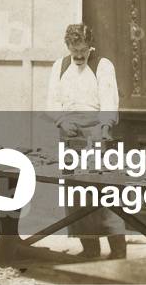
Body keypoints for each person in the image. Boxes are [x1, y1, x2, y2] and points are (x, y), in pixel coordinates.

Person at [46, 23, 126, 259]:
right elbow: (52, 101)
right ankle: (89, 249)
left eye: (83, 50)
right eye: (75, 51)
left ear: (90, 46)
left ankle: (118, 250)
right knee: (76, 193)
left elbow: (109, 99)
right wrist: (61, 121)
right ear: (68, 46)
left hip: (97, 132)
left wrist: (105, 126)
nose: (79, 55)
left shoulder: (102, 65)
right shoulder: (59, 67)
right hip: (69, 134)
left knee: (105, 191)